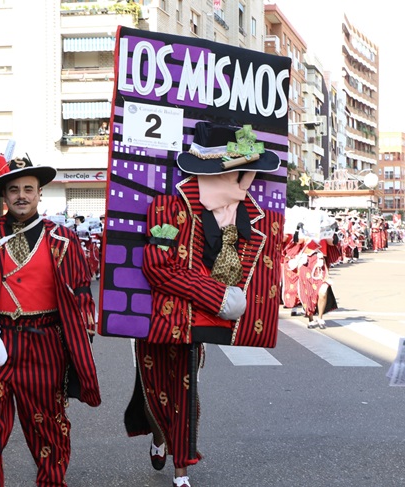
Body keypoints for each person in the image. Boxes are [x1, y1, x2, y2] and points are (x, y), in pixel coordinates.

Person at [125, 123, 283, 487]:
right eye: (239, 172)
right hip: (164, 320)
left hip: (205, 324)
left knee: (186, 391)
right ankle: (159, 436)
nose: (246, 180)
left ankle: (182, 466)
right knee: (153, 388)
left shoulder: (249, 215)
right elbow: (158, 267)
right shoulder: (169, 206)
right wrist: (217, 296)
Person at [0, 153, 100, 486]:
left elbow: (81, 290)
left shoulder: (62, 239)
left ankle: (51, 483)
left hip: (45, 342)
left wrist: (82, 337)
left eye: (28, 188)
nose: (21, 195)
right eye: (14, 189)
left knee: (49, 426)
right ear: (4, 195)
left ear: (39, 193)